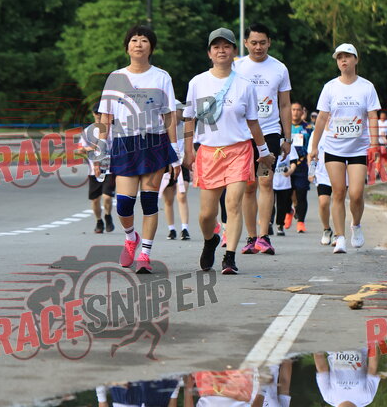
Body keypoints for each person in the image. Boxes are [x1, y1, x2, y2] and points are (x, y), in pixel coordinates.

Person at [183, 27, 275, 275]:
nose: (221, 51)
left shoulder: (245, 85)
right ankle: (210, 240)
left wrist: (263, 151)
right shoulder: (197, 82)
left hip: (239, 151)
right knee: (206, 214)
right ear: (209, 53)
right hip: (208, 153)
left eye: (226, 46)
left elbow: (253, 123)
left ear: (234, 51)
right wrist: (188, 151)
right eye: (216, 47)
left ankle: (230, 257)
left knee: (233, 203)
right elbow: (189, 119)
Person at [97, 25, 180, 275]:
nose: (139, 44)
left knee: (149, 201)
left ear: (151, 47)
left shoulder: (161, 77)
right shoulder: (115, 78)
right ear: (127, 47)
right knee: (123, 205)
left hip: (154, 143)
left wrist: (175, 153)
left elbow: (169, 116)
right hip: (125, 143)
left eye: (144, 40)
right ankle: (130, 237)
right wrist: (101, 150)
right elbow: (105, 116)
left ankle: (145, 254)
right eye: (134, 40)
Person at [309, 43, 380, 254]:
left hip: (358, 148)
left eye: (347, 56)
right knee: (338, 192)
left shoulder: (366, 87)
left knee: (356, 194)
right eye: (339, 57)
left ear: (356, 60)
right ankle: (340, 237)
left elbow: (373, 116)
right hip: (334, 148)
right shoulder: (330, 87)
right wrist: (314, 146)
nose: (343, 60)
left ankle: (356, 225)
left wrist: (375, 144)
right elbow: (322, 118)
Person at [234, 24, 292, 256]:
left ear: (269, 43)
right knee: (249, 186)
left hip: (269, 132)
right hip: (243, 133)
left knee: (266, 182)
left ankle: (264, 236)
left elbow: (285, 104)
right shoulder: (237, 67)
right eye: (254, 43)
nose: (258, 47)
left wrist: (287, 137)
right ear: (246, 43)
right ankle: (250, 237)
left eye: (262, 43)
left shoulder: (279, 68)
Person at [313, 349, 380, 407]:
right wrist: (373, 343)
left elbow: (322, 369)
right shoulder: (366, 398)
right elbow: (372, 368)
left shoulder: (328, 397)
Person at [307, 127, 347, 246]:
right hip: (323, 174)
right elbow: (310, 154)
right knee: (323, 202)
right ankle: (326, 229)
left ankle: (338, 234)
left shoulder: (342, 129)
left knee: (338, 201)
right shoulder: (317, 133)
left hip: (340, 173)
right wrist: (311, 172)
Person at [79, 104, 115, 233]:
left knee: (107, 197)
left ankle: (108, 216)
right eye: (96, 113)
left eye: (101, 113)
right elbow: (80, 149)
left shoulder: (113, 129)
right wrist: (92, 148)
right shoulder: (88, 131)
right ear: (93, 114)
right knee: (95, 200)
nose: (99, 115)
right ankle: (99, 221)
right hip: (93, 170)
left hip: (109, 168)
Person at [158, 103, 191, 240]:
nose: (181, 113)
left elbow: (191, 145)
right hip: (168, 164)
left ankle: (185, 228)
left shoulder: (185, 127)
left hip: (182, 164)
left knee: (181, 195)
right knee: (168, 200)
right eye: (179, 110)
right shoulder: (162, 129)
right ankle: (171, 229)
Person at [288, 102, 312, 233]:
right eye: (293, 109)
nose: (295, 112)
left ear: (302, 112)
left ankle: (301, 222)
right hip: (286, 164)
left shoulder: (308, 128)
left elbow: (312, 146)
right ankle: (288, 211)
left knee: (301, 193)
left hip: (302, 164)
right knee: (286, 193)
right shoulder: (284, 126)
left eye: (298, 110)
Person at [272, 143, 298, 236]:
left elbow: (294, 161)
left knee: (281, 206)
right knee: (270, 204)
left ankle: (280, 225)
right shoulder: (268, 142)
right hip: (270, 181)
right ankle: (268, 223)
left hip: (284, 181)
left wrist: (291, 170)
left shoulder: (288, 145)